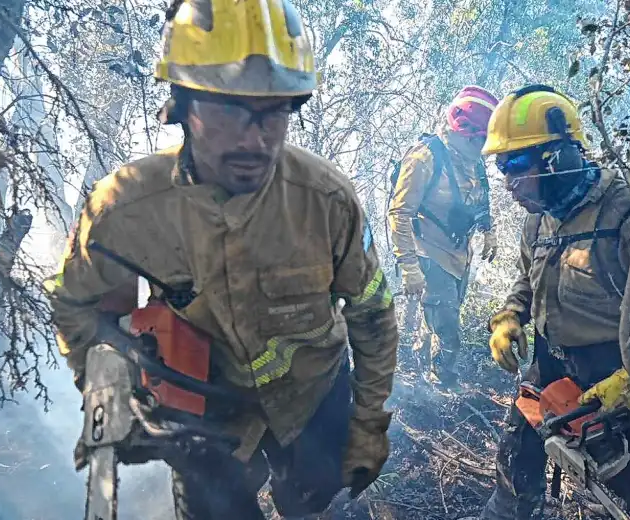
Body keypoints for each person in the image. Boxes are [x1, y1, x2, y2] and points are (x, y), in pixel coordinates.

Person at [42, 1, 398, 519]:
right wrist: (109, 391)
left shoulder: (326, 201)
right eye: (230, 110)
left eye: (274, 112)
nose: (255, 140)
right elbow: (75, 304)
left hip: (313, 401)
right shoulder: (124, 210)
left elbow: (372, 312)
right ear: (183, 105)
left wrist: (368, 426)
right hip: (205, 420)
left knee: (310, 499)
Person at [474, 85, 630, 520]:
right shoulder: (538, 221)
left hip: (617, 378)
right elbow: (528, 278)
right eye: (500, 167)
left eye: (515, 165)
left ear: (557, 158)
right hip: (549, 368)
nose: (508, 183)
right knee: (516, 462)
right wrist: (511, 314)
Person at [387, 85, 499, 387]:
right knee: (449, 327)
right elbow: (400, 214)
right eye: (479, 140)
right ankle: (444, 383)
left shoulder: (474, 162)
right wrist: (409, 268)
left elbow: (481, 199)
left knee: (438, 317)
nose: (483, 147)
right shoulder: (424, 159)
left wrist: (488, 231)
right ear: (464, 131)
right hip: (429, 253)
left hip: (459, 256)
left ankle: (421, 374)